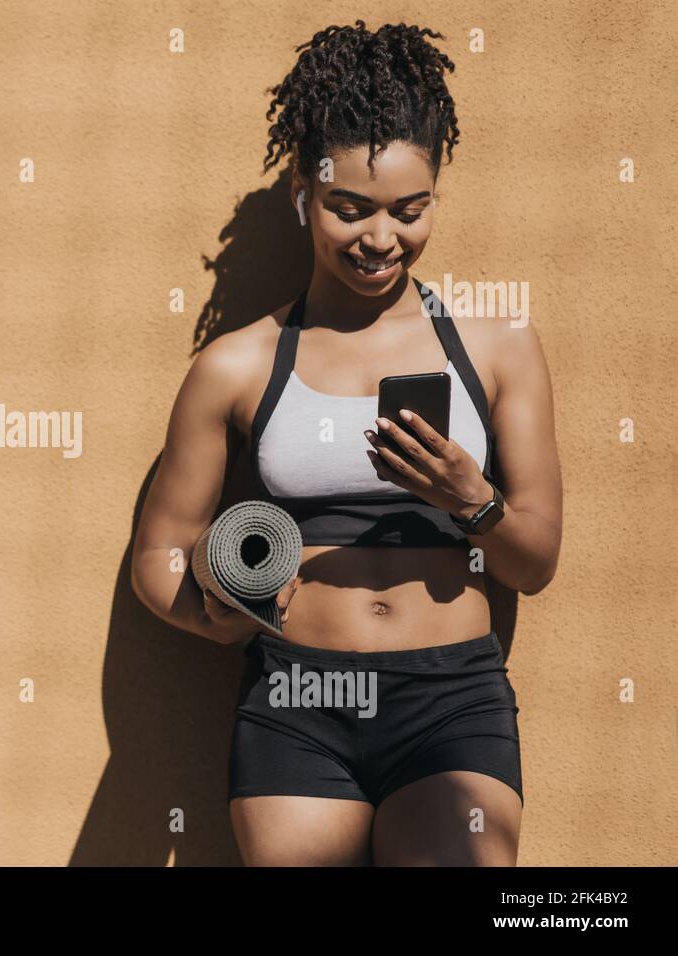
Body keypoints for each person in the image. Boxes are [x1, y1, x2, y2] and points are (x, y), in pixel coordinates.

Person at [131, 21, 562, 865]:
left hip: (452, 701)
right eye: (349, 209)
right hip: (296, 694)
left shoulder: (499, 346)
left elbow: (537, 560)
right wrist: (215, 616)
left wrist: (469, 498)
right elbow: (158, 553)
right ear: (304, 192)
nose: (380, 239)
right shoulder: (238, 365)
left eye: (409, 210)